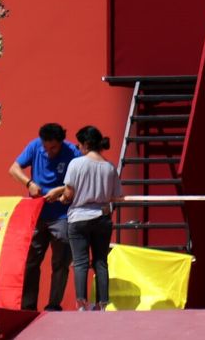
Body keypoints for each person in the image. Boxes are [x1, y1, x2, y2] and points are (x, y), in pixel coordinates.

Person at [47, 124, 123, 310]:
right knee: (101, 262)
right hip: (102, 218)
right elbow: (117, 195)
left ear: (86, 144)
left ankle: (82, 304)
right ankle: (102, 304)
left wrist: (62, 198)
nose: (78, 148)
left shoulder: (76, 164)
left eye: (79, 145)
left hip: (79, 217)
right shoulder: (110, 167)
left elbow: (69, 193)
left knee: (80, 262)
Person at [8, 122, 79, 311]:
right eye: (45, 148)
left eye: (53, 147)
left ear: (61, 142)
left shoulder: (73, 152)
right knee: (31, 261)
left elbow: (82, 179)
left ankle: (54, 305)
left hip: (62, 215)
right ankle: (27, 306)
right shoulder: (34, 146)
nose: (48, 152)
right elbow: (13, 168)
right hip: (36, 213)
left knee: (60, 262)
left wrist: (61, 190)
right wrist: (28, 182)